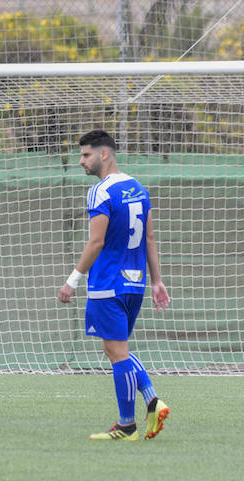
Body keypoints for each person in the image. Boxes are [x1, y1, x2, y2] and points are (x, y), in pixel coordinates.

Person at [58, 130, 171, 441]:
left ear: (104, 154)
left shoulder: (100, 191)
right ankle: (152, 400)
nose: (81, 161)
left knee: (116, 352)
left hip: (107, 284)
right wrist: (157, 280)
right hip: (135, 285)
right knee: (118, 348)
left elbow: (96, 242)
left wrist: (72, 280)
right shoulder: (139, 188)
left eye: (86, 155)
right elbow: (148, 238)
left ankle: (126, 425)